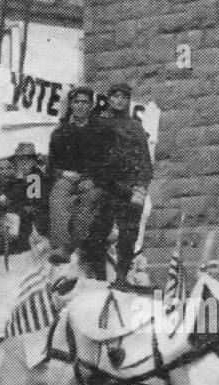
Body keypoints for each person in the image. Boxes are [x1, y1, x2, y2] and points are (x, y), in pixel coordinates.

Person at [90, 82, 153, 281]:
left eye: (123, 97)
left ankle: (122, 275)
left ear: (127, 101)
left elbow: (145, 162)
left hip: (129, 188)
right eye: (115, 96)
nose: (119, 100)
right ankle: (99, 276)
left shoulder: (135, 127)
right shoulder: (99, 124)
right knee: (98, 232)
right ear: (109, 99)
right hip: (106, 186)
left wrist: (141, 188)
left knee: (129, 235)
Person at [47, 86, 106, 270]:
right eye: (76, 102)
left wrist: (93, 180)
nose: (80, 106)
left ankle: (72, 246)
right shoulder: (60, 133)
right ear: (71, 105)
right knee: (57, 194)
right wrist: (64, 174)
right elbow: (51, 165)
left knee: (89, 201)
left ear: (91, 106)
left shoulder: (100, 132)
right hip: (69, 177)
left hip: (92, 179)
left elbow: (108, 163)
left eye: (84, 102)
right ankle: (60, 245)